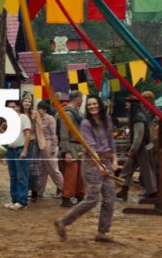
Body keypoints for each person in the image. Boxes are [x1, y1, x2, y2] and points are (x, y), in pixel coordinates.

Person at [54, 94, 120, 243]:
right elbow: (90, 146)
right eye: (89, 105)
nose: (92, 106)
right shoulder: (86, 124)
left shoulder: (107, 120)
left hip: (106, 161)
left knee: (110, 198)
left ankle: (102, 232)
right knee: (92, 199)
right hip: (91, 163)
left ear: (100, 105)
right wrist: (99, 165)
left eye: (94, 104)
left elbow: (111, 141)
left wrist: (114, 160)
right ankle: (63, 222)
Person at [117, 96, 157, 200]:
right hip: (140, 147)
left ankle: (152, 193)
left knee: (147, 171)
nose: (126, 104)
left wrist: (132, 150)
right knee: (127, 169)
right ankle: (123, 190)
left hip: (142, 148)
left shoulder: (138, 117)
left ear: (132, 104)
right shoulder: (140, 115)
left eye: (128, 103)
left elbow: (138, 137)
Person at [58, 91, 86, 207]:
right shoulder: (67, 113)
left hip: (79, 146)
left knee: (81, 174)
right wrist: (67, 151)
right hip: (71, 145)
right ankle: (66, 197)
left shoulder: (77, 113)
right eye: (82, 99)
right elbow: (64, 133)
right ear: (78, 99)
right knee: (71, 175)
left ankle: (80, 195)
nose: (82, 101)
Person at [4, 100, 32, 210]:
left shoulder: (23, 118)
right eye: (9, 107)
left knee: (21, 176)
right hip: (11, 150)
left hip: (20, 150)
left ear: (19, 107)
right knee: (13, 176)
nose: (12, 108)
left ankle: (22, 201)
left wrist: (25, 150)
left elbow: (28, 134)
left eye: (14, 106)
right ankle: (14, 199)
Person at [35, 100, 65, 199]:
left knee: (53, 169)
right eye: (38, 108)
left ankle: (63, 189)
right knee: (42, 169)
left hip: (48, 143)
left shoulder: (50, 119)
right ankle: (40, 191)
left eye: (40, 109)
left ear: (45, 109)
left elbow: (53, 134)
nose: (38, 110)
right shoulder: (37, 118)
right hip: (40, 144)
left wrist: (53, 147)